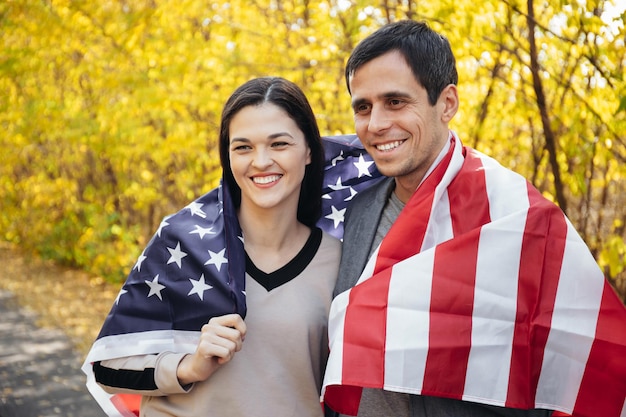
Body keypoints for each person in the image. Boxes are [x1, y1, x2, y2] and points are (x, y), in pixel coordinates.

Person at [321, 20, 626, 417]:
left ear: (447, 103)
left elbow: (581, 356)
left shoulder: (517, 218)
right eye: (363, 107)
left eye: (395, 102)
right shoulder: (355, 209)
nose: (375, 124)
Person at [82, 77, 342, 417]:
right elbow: (107, 366)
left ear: (309, 150)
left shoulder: (339, 261)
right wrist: (190, 367)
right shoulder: (183, 244)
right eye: (243, 147)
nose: (260, 161)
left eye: (278, 144)